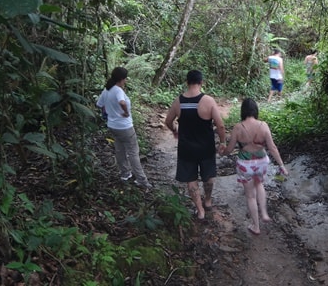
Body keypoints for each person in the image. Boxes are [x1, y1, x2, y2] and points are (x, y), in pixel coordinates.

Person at [165, 70, 226, 220]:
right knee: (208, 175)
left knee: (191, 179)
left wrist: (174, 130)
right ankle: (208, 201)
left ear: (187, 82)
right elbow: (220, 125)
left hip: (186, 148)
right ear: (201, 83)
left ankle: (200, 211)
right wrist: (223, 141)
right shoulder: (208, 101)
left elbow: (168, 121)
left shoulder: (178, 101)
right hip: (206, 147)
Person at [220, 98, 287, 235]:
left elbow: (230, 149)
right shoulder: (263, 125)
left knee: (250, 196)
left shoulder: (238, 127)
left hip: (246, 165)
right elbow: (272, 147)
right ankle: (264, 213)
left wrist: (222, 152)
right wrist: (281, 165)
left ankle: (256, 226)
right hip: (261, 162)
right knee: (259, 184)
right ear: (256, 110)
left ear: (243, 111)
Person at [96, 67, 152, 188]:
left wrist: (110, 112)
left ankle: (125, 174)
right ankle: (142, 180)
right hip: (125, 127)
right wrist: (125, 112)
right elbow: (122, 102)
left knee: (120, 150)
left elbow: (99, 104)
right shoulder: (118, 90)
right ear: (122, 79)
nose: (126, 81)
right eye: (125, 78)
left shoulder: (107, 90)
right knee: (133, 152)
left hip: (113, 126)